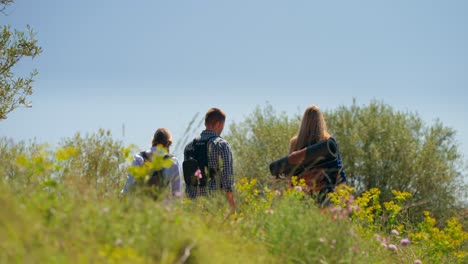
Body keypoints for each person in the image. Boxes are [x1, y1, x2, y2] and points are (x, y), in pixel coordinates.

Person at [289, 105, 347, 205]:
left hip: (302, 195)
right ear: (321, 121)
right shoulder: (328, 141)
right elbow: (339, 169)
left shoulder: (295, 143)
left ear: (304, 121)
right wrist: (345, 194)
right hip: (325, 196)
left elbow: (290, 172)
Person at [183, 108, 236, 209]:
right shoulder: (221, 145)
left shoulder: (189, 147)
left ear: (205, 123)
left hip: (193, 206)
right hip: (214, 205)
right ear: (219, 124)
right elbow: (227, 180)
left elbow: (188, 180)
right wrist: (232, 207)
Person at [121, 128, 182, 200]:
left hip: (140, 209)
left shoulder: (139, 158)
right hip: (163, 210)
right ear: (168, 143)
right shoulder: (173, 162)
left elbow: (128, 188)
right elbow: (177, 194)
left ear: (153, 141)